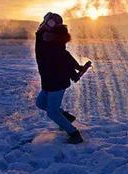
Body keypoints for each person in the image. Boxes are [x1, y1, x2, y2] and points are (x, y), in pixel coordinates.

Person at [34, 12, 91, 144]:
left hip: (57, 80)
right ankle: (66, 117)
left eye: (52, 23)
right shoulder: (43, 37)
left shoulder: (54, 41)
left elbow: (65, 57)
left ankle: (74, 134)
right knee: (41, 103)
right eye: (47, 21)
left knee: (52, 112)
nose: (47, 24)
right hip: (48, 79)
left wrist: (77, 70)